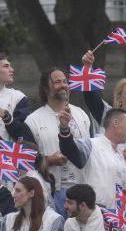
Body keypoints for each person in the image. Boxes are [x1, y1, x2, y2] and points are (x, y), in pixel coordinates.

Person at [22, 67, 92, 215]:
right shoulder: (33, 120)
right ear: (46, 89)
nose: (63, 85)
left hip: (83, 189)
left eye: (65, 81)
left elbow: (90, 150)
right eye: (57, 82)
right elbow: (26, 159)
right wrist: (48, 160)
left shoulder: (81, 114)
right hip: (55, 190)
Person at [59, 107, 126, 209]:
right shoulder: (91, 145)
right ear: (116, 123)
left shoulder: (125, 155)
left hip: (120, 219)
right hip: (94, 216)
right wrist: (64, 128)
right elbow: (69, 150)